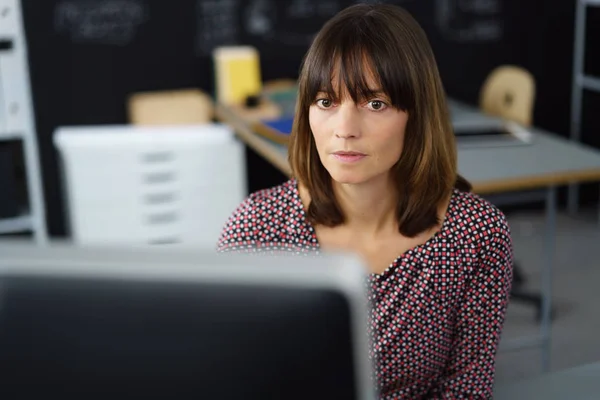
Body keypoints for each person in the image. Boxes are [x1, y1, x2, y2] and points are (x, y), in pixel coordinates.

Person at [217, 3, 513, 399]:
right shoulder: (257, 227)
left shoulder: (476, 234)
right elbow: (228, 373)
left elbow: (466, 388)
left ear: (418, 115)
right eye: (326, 102)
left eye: (375, 104)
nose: (345, 129)